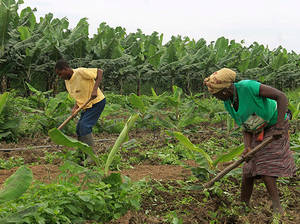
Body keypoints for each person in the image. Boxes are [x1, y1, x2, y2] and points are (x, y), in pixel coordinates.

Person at [203, 68, 296, 214]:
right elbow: (246, 126)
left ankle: (277, 207)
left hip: (275, 125)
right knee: (248, 170)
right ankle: (244, 206)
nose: (216, 97)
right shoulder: (229, 102)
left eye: (216, 94)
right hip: (257, 130)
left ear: (226, 90)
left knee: (266, 166)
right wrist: (247, 148)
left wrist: (279, 127)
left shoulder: (248, 87)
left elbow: (281, 97)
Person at [55, 59, 106, 162]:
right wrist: (75, 107)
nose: (60, 77)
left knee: (85, 126)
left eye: (60, 74)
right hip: (85, 106)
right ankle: (82, 153)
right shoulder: (67, 82)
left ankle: (92, 157)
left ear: (66, 69)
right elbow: (78, 96)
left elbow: (99, 72)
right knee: (79, 128)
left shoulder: (80, 72)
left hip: (97, 102)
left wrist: (95, 89)